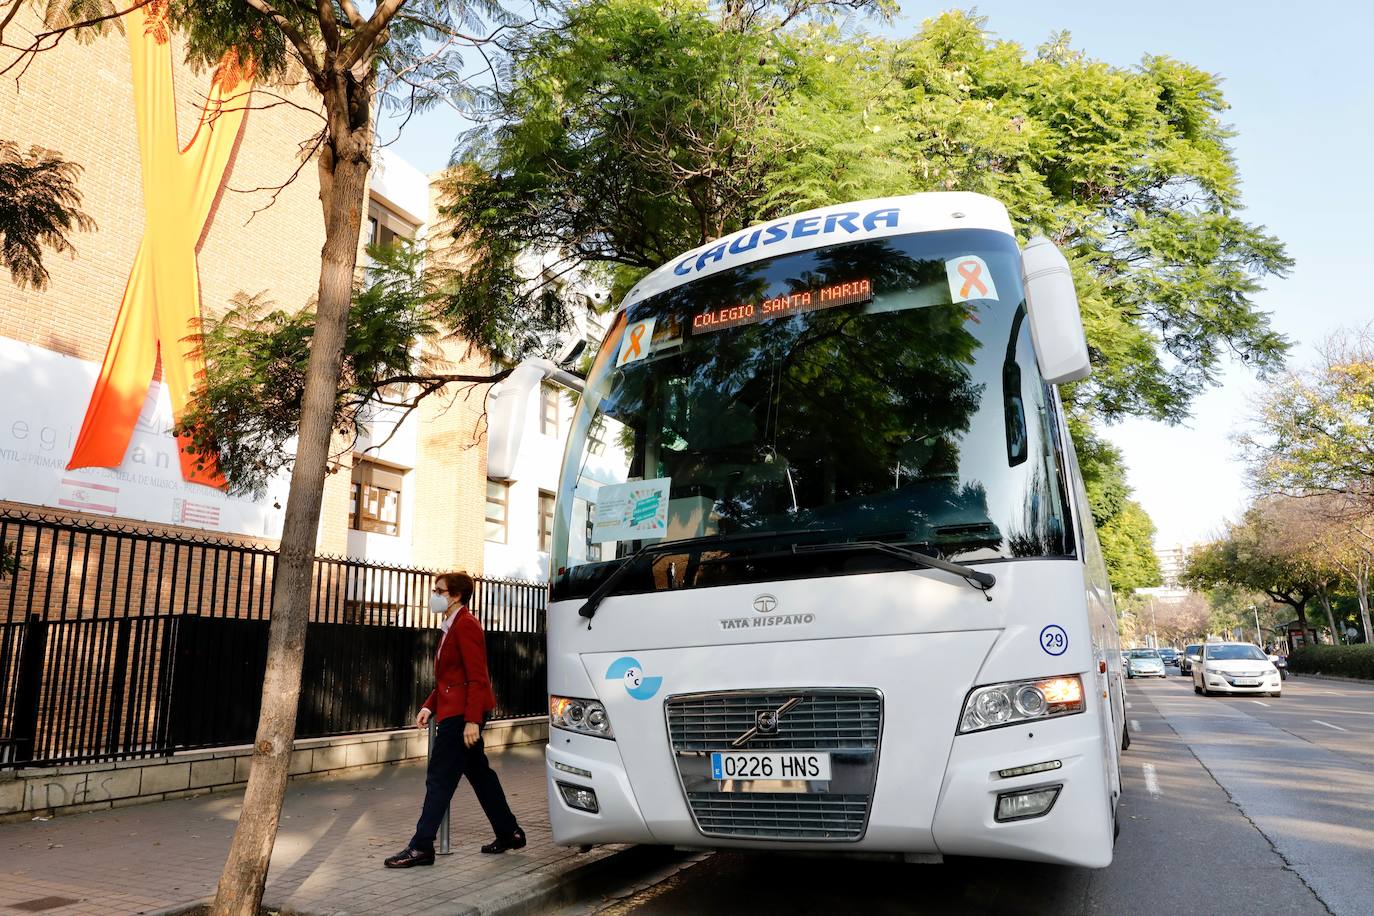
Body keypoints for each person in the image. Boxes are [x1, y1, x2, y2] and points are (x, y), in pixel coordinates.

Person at [385, 572, 525, 868]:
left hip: (463, 716)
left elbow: (477, 677)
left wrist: (472, 721)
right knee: (479, 773)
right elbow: (450, 679)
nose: (434, 595)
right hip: (456, 709)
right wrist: (429, 706)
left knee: (439, 777)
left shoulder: (466, 625)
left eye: (439, 590)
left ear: (456, 595)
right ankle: (509, 832)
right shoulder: (450, 625)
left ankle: (421, 846)